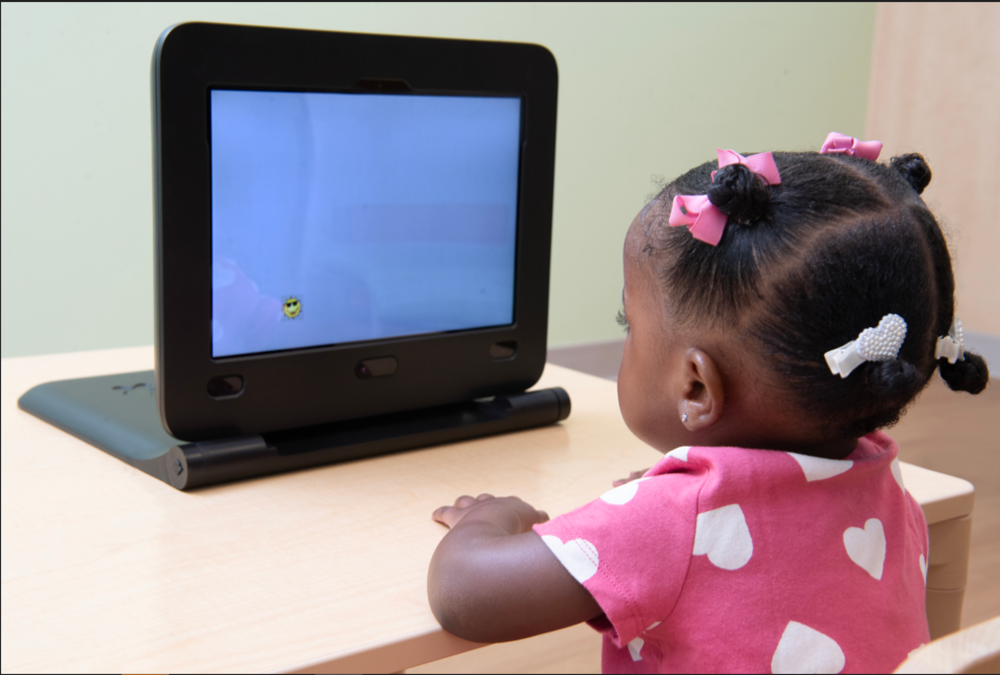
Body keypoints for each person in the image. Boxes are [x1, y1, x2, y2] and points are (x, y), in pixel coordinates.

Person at [426, 132, 990, 673]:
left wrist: (488, 518)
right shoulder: (886, 488)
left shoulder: (676, 522)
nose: (627, 335)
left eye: (629, 324)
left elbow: (466, 594)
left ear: (695, 388)